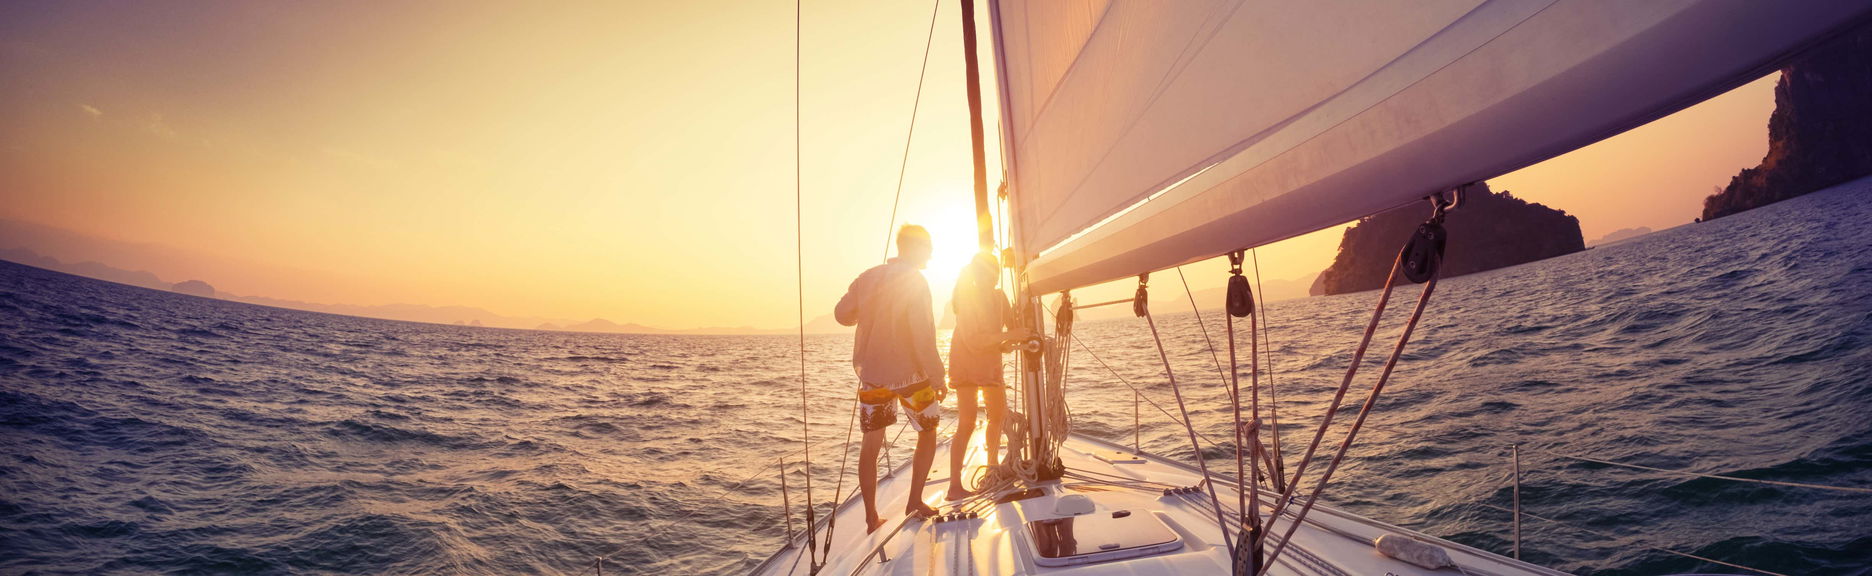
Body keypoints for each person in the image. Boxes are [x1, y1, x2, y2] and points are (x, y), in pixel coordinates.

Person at [834, 224, 945, 533]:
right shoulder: (915, 281)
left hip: (874, 378)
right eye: (928, 247)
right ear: (915, 248)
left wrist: (867, 311)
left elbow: (842, 314)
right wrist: (938, 376)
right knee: (928, 431)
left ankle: (871, 517)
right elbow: (923, 335)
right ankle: (914, 502)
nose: (932, 254)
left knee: (871, 445)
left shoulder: (867, 277)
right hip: (912, 377)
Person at [945, 252, 1022, 500]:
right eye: (986, 271)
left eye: (995, 271)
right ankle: (954, 486)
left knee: (998, 415)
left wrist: (1015, 335)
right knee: (966, 422)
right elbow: (974, 340)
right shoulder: (967, 299)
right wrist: (1008, 337)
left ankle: (992, 468)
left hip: (989, 362)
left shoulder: (1000, 297)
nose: (992, 276)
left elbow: (1011, 329)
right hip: (966, 360)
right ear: (977, 274)